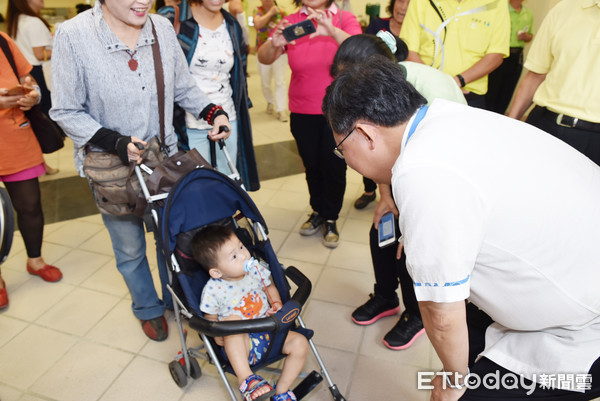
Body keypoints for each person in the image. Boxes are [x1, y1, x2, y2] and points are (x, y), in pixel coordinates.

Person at [323, 55, 600, 400]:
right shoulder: (449, 115)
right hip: (576, 273)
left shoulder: (420, 172)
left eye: (341, 149)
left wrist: (455, 379)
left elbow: (440, 314)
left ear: (364, 134)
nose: (347, 162)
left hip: (582, 328)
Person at [50, 0, 232, 341]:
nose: (142, 1)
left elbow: (182, 86)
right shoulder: (73, 35)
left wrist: (212, 112)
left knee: (174, 237)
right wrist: (115, 141)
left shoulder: (161, 27)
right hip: (112, 169)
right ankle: (147, 308)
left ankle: (176, 295)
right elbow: (65, 110)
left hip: (164, 158)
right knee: (130, 246)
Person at [331, 32, 466, 350]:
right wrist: (387, 198)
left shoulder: (429, 90)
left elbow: (439, 166)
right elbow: (379, 150)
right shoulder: (377, 90)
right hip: (402, 165)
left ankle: (417, 314)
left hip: (440, 172)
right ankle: (385, 296)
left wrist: (413, 223)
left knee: (409, 248)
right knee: (382, 230)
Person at [257, 0, 361, 248]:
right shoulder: (293, 22)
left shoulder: (343, 19)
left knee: (334, 167)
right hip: (302, 109)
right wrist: (275, 43)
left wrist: (331, 30)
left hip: (338, 110)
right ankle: (317, 210)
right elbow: (264, 57)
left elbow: (360, 53)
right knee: (312, 165)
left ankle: (331, 216)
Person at [192, 225, 308, 401]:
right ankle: (247, 379)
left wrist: (275, 304)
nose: (244, 255)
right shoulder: (213, 290)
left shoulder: (256, 270)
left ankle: (282, 391)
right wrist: (217, 336)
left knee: (300, 343)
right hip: (240, 344)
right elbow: (211, 318)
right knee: (232, 321)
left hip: (270, 332)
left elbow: (269, 286)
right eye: (234, 256)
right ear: (217, 272)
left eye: (241, 247)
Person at [158, 0, 260, 189]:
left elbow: (239, 75)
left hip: (227, 118)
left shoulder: (231, 24)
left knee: (227, 185)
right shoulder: (172, 18)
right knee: (192, 188)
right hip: (185, 123)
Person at [0, 31, 63, 311]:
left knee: (30, 206)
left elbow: (28, 78)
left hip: (16, 137)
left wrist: (33, 93)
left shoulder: (2, 40)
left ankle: (35, 259)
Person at [507, 0, 600, 166]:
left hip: (594, 139)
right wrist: (509, 127)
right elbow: (535, 75)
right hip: (544, 123)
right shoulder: (564, 9)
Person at [400, 0, 510, 109]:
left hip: (468, 96)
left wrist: (456, 82)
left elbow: (496, 54)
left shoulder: (497, 2)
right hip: (422, 91)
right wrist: (436, 83)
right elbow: (409, 49)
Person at [354, 0, 410, 210]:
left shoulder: (416, 28)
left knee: (394, 148)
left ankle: (395, 195)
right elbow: (366, 52)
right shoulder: (378, 24)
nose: (402, 7)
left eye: (408, 3)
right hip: (373, 89)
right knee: (369, 143)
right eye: (399, 2)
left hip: (401, 94)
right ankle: (370, 190)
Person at [6, 0, 62, 175]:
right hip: (35, 73)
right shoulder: (33, 22)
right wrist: (62, 46)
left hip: (25, 72)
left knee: (35, 118)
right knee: (41, 117)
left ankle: (42, 162)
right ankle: (42, 161)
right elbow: (40, 54)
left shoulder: (18, 21)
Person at [485, 0, 533, 114]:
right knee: (492, 90)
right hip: (499, 53)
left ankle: (499, 118)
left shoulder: (528, 13)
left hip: (516, 56)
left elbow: (531, 35)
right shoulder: (501, 7)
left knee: (507, 91)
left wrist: (526, 36)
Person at [252, 0, 288, 122]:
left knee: (280, 81)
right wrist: (270, 13)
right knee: (265, 81)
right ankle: (270, 101)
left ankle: (281, 109)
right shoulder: (258, 11)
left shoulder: (282, 12)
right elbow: (257, 25)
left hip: (280, 52)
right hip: (263, 52)